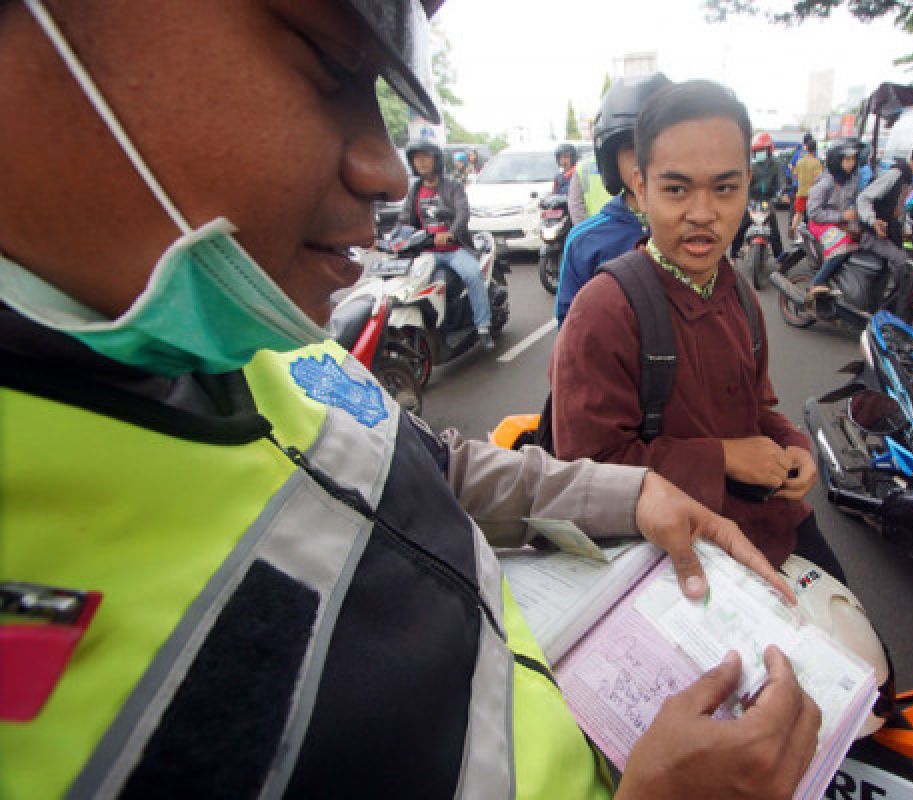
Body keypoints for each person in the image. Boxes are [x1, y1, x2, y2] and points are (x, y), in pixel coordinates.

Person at [0, 2, 822, 798]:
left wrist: (651, 489)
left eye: (728, 186)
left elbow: (432, 462)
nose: (389, 167)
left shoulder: (267, 350)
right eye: (324, 62)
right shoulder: (612, 301)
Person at [551, 80, 845, 578]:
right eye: (677, 188)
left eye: (725, 188)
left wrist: (795, 444)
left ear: (748, 186)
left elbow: (757, 409)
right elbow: (589, 470)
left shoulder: (742, 296)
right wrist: (723, 458)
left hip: (772, 523)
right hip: (675, 553)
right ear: (640, 187)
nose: (703, 213)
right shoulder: (604, 310)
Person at [555, 72, 670, 326]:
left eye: (658, 147)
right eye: (633, 148)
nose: (645, 163)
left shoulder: (696, 232)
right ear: (611, 157)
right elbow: (571, 327)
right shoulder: (585, 242)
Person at [401, 139, 495, 350]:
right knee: (411, 287)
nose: (422, 162)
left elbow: (463, 214)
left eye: (426, 157)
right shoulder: (415, 190)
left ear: (436, 160)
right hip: (426, 252)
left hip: (454, 249)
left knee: (472, 275)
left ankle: (483, 327)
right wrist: (394, 235)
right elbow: (404, 219)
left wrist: (450, 234)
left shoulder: (452, 186)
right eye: (417, 158)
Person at [856, 133, 913, 274]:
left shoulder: (912, 178)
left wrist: (907, 229)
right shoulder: (895, 174)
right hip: (873, 236)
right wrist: (873, 221)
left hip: (892, 235)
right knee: (904, 263)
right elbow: (863, 198)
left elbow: (902, 210)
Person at [803, 141, 863, 300]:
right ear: (837, 161)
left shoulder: (851, 180)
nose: (852, 163)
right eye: (847, 160)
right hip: (819, 224)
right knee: (842, 245)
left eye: (853, 159)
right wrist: (842, 217)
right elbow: (813, 212)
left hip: (840, 223)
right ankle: (817, 282)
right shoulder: (826, 182)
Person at [733, 132, 785, 259]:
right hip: (752, 200)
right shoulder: (752, 166)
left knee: (774, 231)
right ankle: (733, 256)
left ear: (769, 150)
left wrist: (780, 194)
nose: (759, 153)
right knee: (741, 227)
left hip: (768, 200)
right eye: (757, 151)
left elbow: (781, 182)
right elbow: (743, 182)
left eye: (762, 150)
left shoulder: (776, 165)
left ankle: (780, 258)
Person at [788, 134, 824, 237]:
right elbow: (819, 177)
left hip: (800, 191)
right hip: (812, 194)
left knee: (798, 213)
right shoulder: (817, 162)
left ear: (807, 148)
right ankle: (810, 235)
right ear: (815, 149)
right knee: (811, 216)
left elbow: (794, 172)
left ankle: (792, 230)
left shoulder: (800, 161)